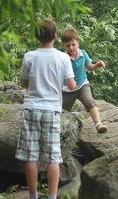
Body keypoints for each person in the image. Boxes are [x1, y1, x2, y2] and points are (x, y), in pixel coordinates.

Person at [15, 18, 76, 199]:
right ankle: (52, 196)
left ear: (37, 37)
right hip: (51, 111)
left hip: (31, 108)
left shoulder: (29, 57)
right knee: (53, 157)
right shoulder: (63, 57)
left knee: (30, 155)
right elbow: (72, 85)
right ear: (56, 36)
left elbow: (24, 84)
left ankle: (33, 195)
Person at [60, 28, 108, 133]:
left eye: (73, 44)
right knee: (63, 111)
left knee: (90, 102)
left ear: (78, 43)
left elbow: (89, 67)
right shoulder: (63, 58)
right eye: (68, 46)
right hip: (67, 89)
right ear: (64, 45)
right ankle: (64, 130)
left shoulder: (83, 54)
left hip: (82, 85)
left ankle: (99, 124)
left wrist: (97, 65)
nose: (71, 48)